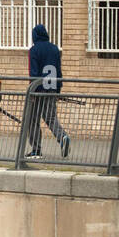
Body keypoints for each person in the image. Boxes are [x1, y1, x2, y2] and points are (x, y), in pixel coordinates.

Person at [27, 23, 71, 160]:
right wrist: (58, 89)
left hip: (38, 90)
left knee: (32, 119)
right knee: (51, 118)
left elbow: (33, 72)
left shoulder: (34, 50)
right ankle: (62, 137)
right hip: (52, 88)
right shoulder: (54, 49)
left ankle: (36, 150)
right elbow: (58, 71)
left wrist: (32, 91)